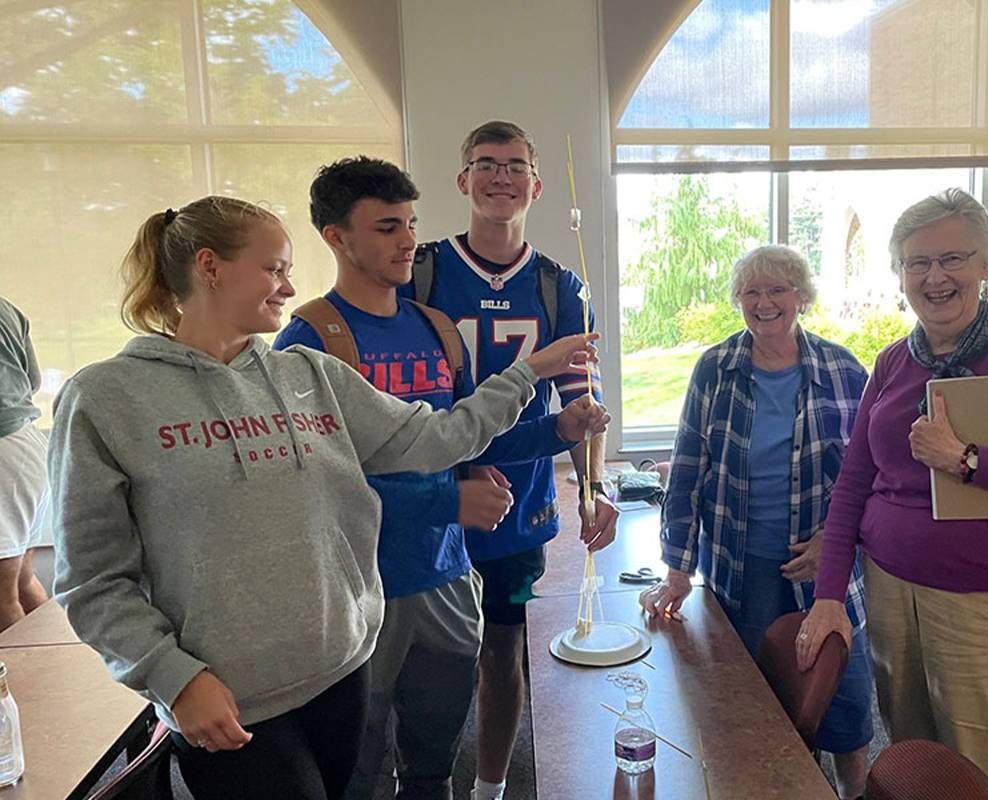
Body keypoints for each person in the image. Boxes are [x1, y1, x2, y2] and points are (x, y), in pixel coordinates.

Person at [49, 196, 598, 800]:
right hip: (231, 700)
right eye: (274, 269)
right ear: (210, 267)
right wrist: (172, 678)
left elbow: (438, 437)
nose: (288, 287)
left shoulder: (308, 375)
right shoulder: (106, 399)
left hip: (342, 674)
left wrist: (531, 374)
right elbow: (93, 580)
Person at [276, 156, 608, 800]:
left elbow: (468, 435)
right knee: (356, 769)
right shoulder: (309, 341)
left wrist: (557, 433)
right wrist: (445, 500)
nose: (407, 241)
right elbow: (317, 485)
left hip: (447, 579)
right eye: (385, 228)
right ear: (336, 238)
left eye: (410, 224)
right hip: (359, 588)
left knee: (432, 764)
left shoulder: (435, 331)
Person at [797, 188, 988, 800]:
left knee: (981, 774)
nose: (935, 277)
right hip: (894, 594)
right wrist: (830, 594)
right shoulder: (892, 363)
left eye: (952, 259)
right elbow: (854, 485)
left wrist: (968, 460)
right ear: (901, 275)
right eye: (918, 262)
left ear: (985, 266)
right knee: (914, 765)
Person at [400, 120, 617, 800]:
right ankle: (420, 776)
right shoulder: (425, 271)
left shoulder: (560, 286)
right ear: (463, 180)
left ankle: (490, 787)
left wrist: (594, 483)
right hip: (434, 497)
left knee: (502, 652)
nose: (501, 176)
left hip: (519, 502)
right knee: (424, 660)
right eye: (486, 164)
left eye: (515, 165)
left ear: (536, 184)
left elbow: (581, 396)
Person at [639, 245, 875, 800]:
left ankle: (854, 792)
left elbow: (872, 477)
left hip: (829, 574)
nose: (764, 302)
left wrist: (836, 544)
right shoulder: (715, 370)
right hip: (742, 571)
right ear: (738, 301)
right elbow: (689, 469)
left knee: (846, 703)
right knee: (756, 710)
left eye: (778, 290)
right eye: (752, 292)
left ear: (801, 297)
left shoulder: (843, 370)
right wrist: (678, 570)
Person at [0, 296, 51, 630]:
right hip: (26, 445)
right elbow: (32, 380)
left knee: (3, 599)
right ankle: (57, 677)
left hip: (3, 450)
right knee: (23, 582)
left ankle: (22, 684)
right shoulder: (6, 308)